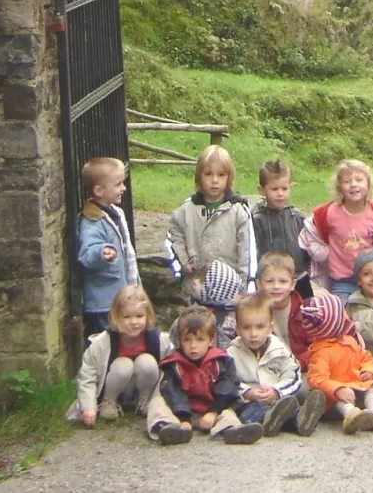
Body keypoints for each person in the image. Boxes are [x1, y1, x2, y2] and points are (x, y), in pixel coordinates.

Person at [145, 306, 264, 445]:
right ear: (180, 340)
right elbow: (173, 392)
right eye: (187, 340)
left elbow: (227, 389)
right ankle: (167, 428)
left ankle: (232, 431)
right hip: (181, 413)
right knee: (156, 402)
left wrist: (213, 413)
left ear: (211, 340)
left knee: (228, 413)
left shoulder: (222, 361)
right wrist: (183, 418)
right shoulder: (174, 364)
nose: (193, 346)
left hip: (212, 410)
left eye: (200, 340)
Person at [229, 293, 328, 437]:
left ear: (270, 328)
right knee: (249, 415)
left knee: (287, 409)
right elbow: (227, 381)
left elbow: (293, 374)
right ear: (237, 330)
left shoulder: (278, 349)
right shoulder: (232, 353)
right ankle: (276, 422)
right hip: (248, 402)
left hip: (277, 400)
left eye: (260, 327)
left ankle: (303, 418)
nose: (253, 333)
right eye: (246, 328)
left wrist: (277, 391)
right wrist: (246, 392)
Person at [301, 159, 373, 300]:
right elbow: (310, 230)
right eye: (347, 181)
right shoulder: (329, 212)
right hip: (341, 279)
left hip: (370, 277)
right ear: (339, 187)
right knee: (344, 316)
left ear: (369, 184)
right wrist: (322, 253)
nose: (353, 185)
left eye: (359, 180)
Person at [166, 145, 257, 290]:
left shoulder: (238, 210)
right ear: (199, 177)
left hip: (229, 288)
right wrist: (183, 261)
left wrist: (245, 285)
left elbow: (247, 251)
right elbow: (174, 234)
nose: (214, 180)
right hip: (195, 287)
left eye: (221, 175)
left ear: (229, 178)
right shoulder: (186, 210)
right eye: (208, 174)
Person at [69, 285, 162, 426]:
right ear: (116, 317)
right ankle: (108, 402)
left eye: (139, 316)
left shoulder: (158, 340)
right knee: (123, 365)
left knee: (147, 362)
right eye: (127, 317)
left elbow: (172, 368)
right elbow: (88, 375)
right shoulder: (102, 343)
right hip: (114, 385)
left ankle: (145, 401)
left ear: (148, 316)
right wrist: (88, 406)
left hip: (143, 386)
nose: (134, 322)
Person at [299, 293, 373, 433]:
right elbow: (317, 379)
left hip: (358, 384)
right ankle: (351, 415)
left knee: (372, 385)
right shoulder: (320, 352)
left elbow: (366, 357)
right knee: (338, 399)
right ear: (334, 323)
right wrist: (337, 389)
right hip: (338, 391)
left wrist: (368, 370)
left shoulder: (349, 341)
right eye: (342, 315)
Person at [75, 157, 139, 334]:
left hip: (119, 295)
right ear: (99, 190)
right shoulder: (92, 221)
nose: (123, 188)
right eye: (118, 184)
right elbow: (87, 253)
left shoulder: (114, 213)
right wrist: (102, 252)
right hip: (103, 301)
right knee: (108, 341)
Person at [251, 159, 311, 299]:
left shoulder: (298, 217)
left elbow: (308, 247)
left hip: (298, 277)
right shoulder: (257, 220)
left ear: (291, 187)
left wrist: (307, 268)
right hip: (271, 283)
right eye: (274, 189)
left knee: (305, 314)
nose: (280, 194)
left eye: (284, 189)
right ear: (261, 190)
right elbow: (255, 253)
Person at [257, 251, 310, 359]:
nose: (276, 286)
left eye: (283, 281)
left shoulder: (305, 312)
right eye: (269, 281)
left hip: (300, 367)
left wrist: (297, 364)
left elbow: (314, 347)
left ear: (292, 284)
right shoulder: (253, 311)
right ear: (259, 284)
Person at [184, 259, 243, 348]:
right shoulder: (189, 314)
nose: (195, 282)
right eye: (196, 277)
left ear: (216, 289)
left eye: (201, 281)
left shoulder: (227, 323)